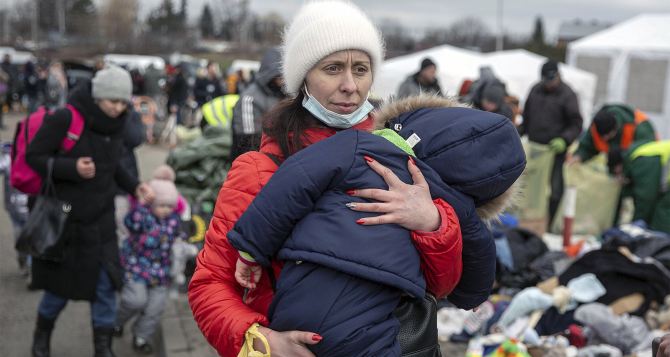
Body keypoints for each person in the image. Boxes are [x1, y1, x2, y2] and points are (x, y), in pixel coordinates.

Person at [188, 2, 470, 356]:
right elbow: (210, 284)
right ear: (303, 77)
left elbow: (444, 284)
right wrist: (262, 342)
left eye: (361, 69)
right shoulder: (259, 170)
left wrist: (432, 223)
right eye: (333, 68)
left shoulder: (402, 159)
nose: (350, 86)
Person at [228, 97, 525, 356]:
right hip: (370, 322)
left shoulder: (358, 144)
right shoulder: (455, 207)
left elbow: (293, 181)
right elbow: (474, 282)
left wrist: (252, 250)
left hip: (300, 296)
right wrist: (472, 294)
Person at [26, 65, 155, 357]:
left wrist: (135, 186)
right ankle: (41, 338)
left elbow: (113, 165)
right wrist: (71, 168)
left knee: (106, 288)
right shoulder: (66, 118)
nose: (118, 108)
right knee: (58, 291)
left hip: (102, 221)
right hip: (69, 221)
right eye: (113, 101)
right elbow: (34, 156)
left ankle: (103, 347)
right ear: (98, 96)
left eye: (123, 102)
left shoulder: (118, 123)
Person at [114, 179, 182, 354]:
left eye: (170, 206)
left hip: (160, 272)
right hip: (137, 266)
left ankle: (141, 336)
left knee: (155, 307)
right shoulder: (142, 216)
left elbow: (179, 238)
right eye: (161, 205)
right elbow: (130, 222)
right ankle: (117, 321)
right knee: (135, 300)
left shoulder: (174, 221)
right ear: (152, 204)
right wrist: (141, 205)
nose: (166, 210)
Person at [517, 60, 583, 227]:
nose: (549, 84)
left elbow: (576, 123)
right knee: (530, 188)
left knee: (554, 190)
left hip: (555, 152)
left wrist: (565, 139)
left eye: (552, 80)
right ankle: (528, 220)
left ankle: (548, 224)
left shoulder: (568, 95)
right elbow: (527, 118)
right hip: (534, 150)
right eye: (546, 81)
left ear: (558, 77)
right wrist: (516, 133)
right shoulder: (535, 90)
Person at [230, 47, 287, 160]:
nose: (283, 80)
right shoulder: (250, 98)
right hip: (255, 160)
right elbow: (247, 141)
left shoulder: (285, 93)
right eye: (279, 76)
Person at [608, 140, 670, 234]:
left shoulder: (641, 162)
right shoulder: (635, 154)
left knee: (662, 215)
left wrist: (634, 228)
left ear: (618, 167)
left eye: (617, 174)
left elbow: (646, 199)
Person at [569, 104, 656, 168]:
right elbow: (588, 146)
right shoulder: (597, 126)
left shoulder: (639, 127)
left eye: (608, 136)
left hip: (645, 164)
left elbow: (647, 155)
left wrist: (626, 170)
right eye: (602, 137)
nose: (605, 139)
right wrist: (579, 156)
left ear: (616, 128)